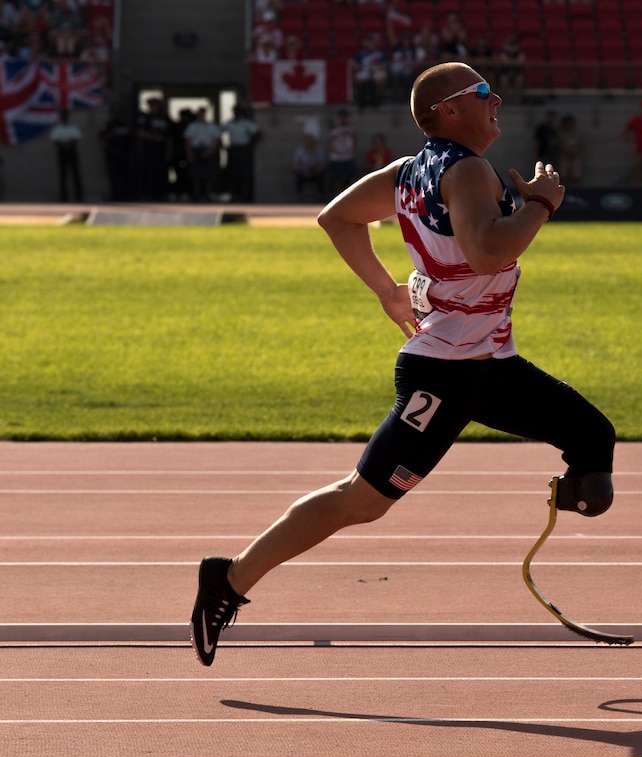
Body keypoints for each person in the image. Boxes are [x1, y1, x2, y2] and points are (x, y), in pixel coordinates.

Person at [189, 61, 616, 667]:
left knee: (593, 439)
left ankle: (570, 499)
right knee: (361, 502)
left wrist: (386, 289)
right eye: (484, 93)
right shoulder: (466, 169)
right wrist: (541, 207)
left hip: (492, 366)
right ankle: (227, 578)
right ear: (448, 110)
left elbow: (336, 217)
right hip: (442, 376)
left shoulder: (410, 172)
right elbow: (489, 249)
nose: (498, 101)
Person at [222, 103, 261, 203]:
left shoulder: (246, 123)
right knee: (232, 174)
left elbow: (257, 133)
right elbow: (218, 133)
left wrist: (250, 146)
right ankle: (234, 195)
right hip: (233, 149)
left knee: (245, 174)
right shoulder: (229, 123)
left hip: (243, 150)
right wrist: (224, 146)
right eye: (235, 111)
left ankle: (244, 196)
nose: (236, 113)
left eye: (238, 111)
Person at [135, 95, 171, 201]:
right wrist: (155, 138)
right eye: (151, 105)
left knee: (162, 173)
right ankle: (148, 195)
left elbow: (169, 136)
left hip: (162, 150)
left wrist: (170, 150)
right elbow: (140, 132)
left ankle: (161, 194)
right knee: (149, 172)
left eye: (155, 105)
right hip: (149, 150)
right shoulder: (145, 118)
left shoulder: (164, 118)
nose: (153, 107)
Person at [183, 106, 222, 203]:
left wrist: (209, 151)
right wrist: (190, 154)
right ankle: (196, 194)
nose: (202, 115)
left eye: (203, 113)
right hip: (196, 150)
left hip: (208, 150)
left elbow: (216, 140)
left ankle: (208, 194)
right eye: (200, 113)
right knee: (195, 175)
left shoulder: (212, 126)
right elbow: (188, 141)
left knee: (209, 175)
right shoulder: (192, 126)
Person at [97, 102, 131, 201]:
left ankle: (123, 196)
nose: (115, 114)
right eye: (114, 112)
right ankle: (115, 195)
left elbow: (129, 138)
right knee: (113, 175)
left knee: (123, 175)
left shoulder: (123, 124)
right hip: (111, 152)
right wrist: (113, 134)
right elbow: (101, 138)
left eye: (117, 112)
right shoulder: (107, 125)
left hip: (123, 153)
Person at [49, 108, 83, 202]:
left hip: (72, 151)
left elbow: (77, 137)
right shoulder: (57, 128)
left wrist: (68, 144)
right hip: (62, 152)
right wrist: (63, 145)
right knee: (63, 175)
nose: (64, 117)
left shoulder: (73, 127)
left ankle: (79, 196)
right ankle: (63, 196)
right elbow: (54, 139)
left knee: (76, 174)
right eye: (63, 115)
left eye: (66, 115)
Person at [326, 107, 359, 195]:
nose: (343, 118)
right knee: (337, 179)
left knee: (352, 177)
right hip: (336, 157)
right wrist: (333, 151)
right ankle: (338, 196)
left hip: (349, 156)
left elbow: (355, 139)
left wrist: (353, 150)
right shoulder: (333, 127)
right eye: (342, 116)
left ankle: (353, 196)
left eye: (345, 116)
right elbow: (328, 142)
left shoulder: (351, 127)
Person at [292, 130, 327, 201]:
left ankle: (321, 195)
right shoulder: (300, 151)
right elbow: (295, 164)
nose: (309, 144)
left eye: (311, 142)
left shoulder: (318, 150)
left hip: (315, 172)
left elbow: (322, 164)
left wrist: (315, 170)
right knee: (298, 176)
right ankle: (299, 195)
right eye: (308, 142)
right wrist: (303, 170)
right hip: (303, 172)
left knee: (321, 176)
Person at [555, 113, 584, 187]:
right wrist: (565, 150)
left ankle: (577, 191)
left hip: (575, 156)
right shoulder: (561, 133)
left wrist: (576, 150)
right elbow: (558, 144)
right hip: (564, 155)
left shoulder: (577, 133)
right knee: (563, 175)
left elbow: (582, 144)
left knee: (576, 175)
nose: (568, 125)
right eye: (567, 123)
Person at [496, 33, 525, 104]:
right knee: (503, 80)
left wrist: (510, 61)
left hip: (517, 70)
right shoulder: (504, 49)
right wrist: (514, 62)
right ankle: (504, 100)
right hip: (505, 70)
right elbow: (504, 61)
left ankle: (517, 101)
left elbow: (521, 61)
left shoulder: (519, 50)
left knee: (519, 80)